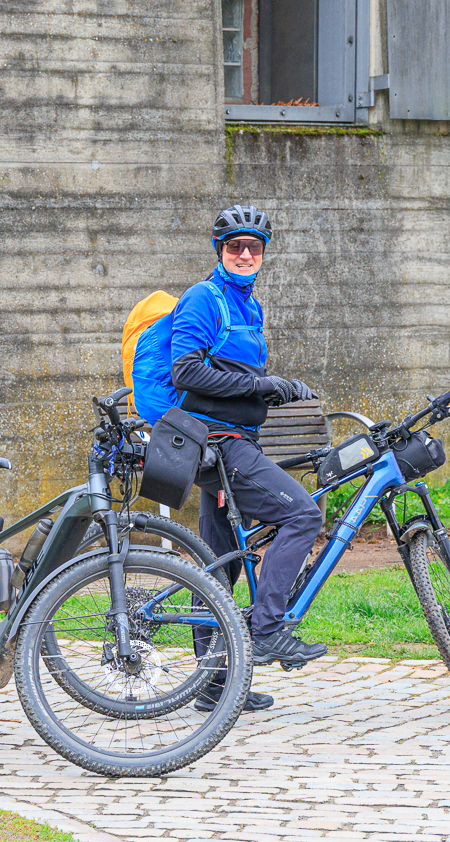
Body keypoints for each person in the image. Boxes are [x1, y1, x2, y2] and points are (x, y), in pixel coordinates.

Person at [171, 204, 326, 712]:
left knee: (221, 564)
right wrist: (262, 384)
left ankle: (212, 688)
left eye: (252, 247)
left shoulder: (249, 306)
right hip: (219, 446)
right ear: (220, 250)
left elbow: (232, 376)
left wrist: (273, 392)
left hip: (229, 443)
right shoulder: (204, 298)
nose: (244, 253)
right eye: (234, 245)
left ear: (262, 254)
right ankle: (268, 629)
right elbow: (187, 373)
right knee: (303, 515)